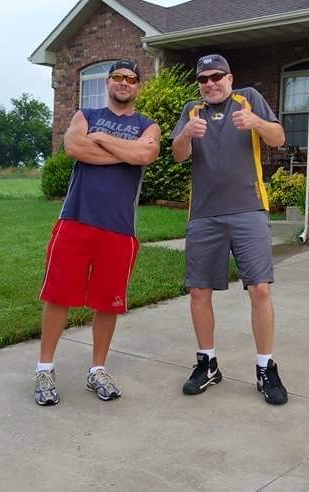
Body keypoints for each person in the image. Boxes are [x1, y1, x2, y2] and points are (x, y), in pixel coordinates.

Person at [34, 59, 160, 406]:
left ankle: (97, 370)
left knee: (108, 302)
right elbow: (75, 147)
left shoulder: (147, 125)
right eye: (118, 77)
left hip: (119, 228)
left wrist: (102, 140)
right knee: (58, 295)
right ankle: (44, 369)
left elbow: (146, 153)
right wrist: (127, 153)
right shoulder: (85, 115)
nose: (124, 83)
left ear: (138, 86)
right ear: (108, 82)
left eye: (131, 79)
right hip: (75, 220)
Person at [170, 54, 289, 405]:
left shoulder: (248, 98)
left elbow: (278, 138)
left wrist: (256, 122)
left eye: (216, 76)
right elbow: (178, 155)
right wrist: (186, 134)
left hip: (249, 209)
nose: (210, 83)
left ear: (230, 78)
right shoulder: (192, 111)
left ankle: (266, 367)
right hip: (203, 214)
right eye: (203, 79)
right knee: (199, 292)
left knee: (260, 290)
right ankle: (207, 363)